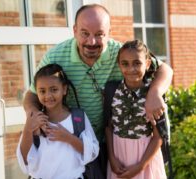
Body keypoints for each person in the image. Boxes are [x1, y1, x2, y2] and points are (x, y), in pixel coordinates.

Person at [23, 3, 173, 177]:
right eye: (85, 33)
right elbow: (31, 95)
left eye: (99, 34)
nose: (91, 42)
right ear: (74, 30)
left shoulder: (122, 54)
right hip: (71, 145)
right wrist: (34, 118)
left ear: (109, 32)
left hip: (114, 146)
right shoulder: (54, 56)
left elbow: (165, 70)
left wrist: (154, 93)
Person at [17, 64, 99, 178]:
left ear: (64, 89)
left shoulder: (78, 118)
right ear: (37, 92)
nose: (48, 95)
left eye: (54, 89)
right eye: (42, 91)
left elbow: (92, 152)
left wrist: (68, 138)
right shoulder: (35, 121)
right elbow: (24, 159)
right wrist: (28, 129)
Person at [105, 40, 167, 179]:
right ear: (119, 65)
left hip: (146, 160)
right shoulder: (111, 90)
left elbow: (158, 137)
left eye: (137, 63)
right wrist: (112, 159)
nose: (131, 69)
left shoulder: (154, 94)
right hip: (118, 159)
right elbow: (108, 128)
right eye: (125, 64)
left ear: (147, 63)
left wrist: (141, 166)